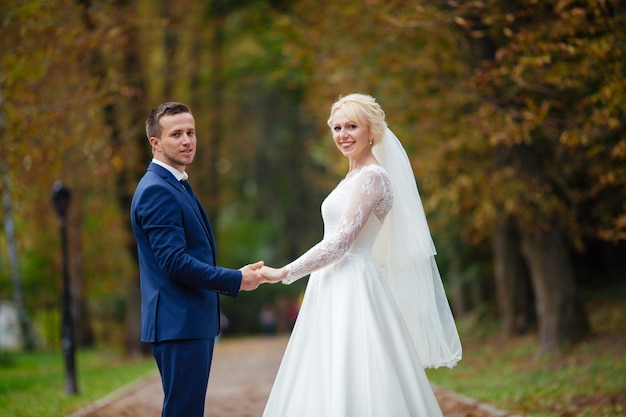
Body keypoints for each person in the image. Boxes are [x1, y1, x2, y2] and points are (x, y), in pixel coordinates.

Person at [260, 93, 462, 416]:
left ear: (372, 132)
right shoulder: (352, 178)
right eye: (337, 128)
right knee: (325, 369)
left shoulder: (373, 177)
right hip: (329, 284)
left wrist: (284, 272)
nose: (343, 135)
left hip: (352, 284)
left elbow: (340, 244)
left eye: (352, 126)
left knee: (358, 365)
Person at [130, 102, 264, 417]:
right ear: (155, 143)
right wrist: (235, 279)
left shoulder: (175, 184)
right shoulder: (156, 191)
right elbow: (175, 262)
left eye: (191, 132)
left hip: (187, 323)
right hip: (178, 324)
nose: (187, 140)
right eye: (176, 134)